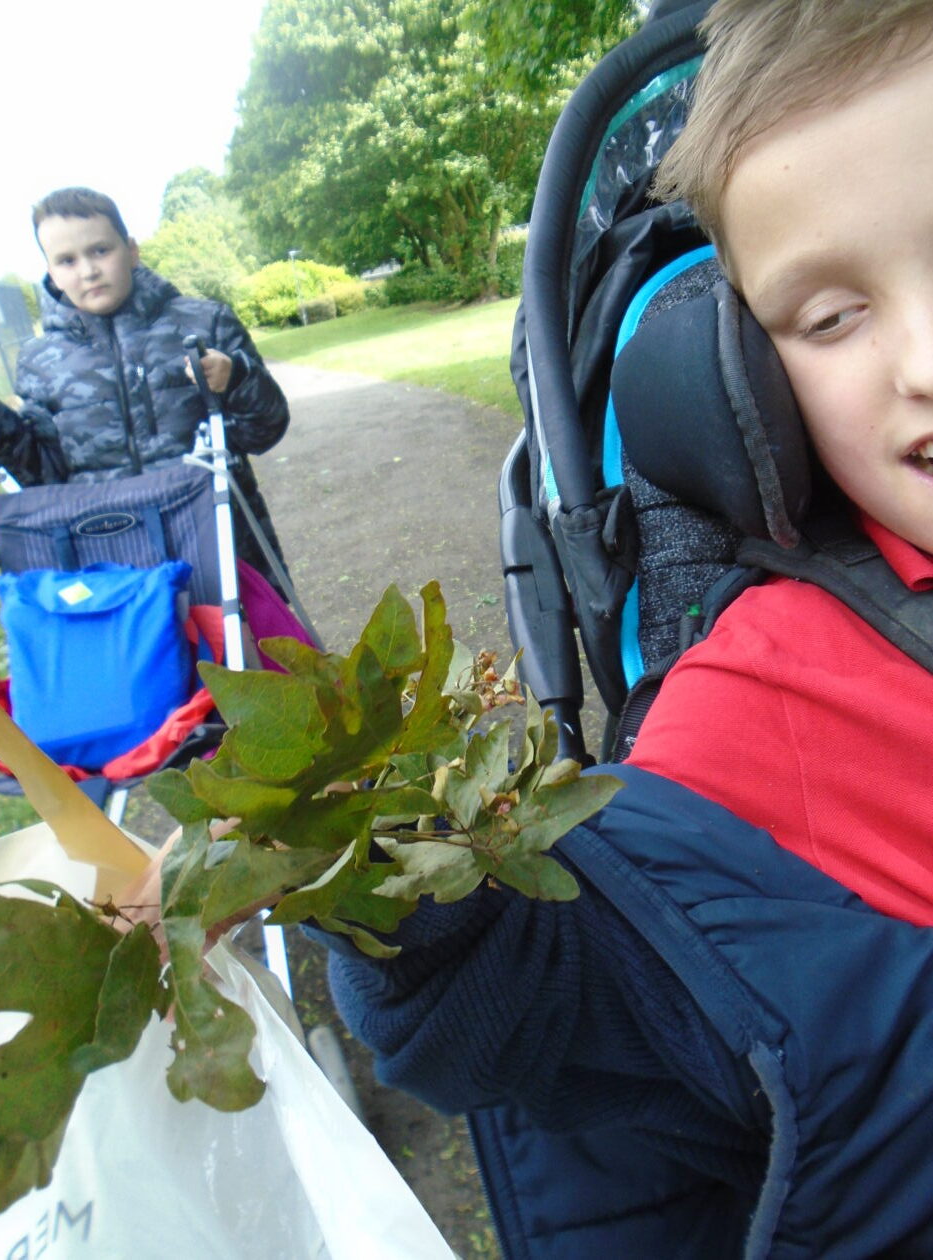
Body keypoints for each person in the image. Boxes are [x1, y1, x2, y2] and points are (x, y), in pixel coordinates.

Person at [123, 2, 933, 1254]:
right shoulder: (770, 697)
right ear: (750, 377)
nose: (926, 359)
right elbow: (566, 984)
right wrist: (387, 863)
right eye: (831, 318)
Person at [0, 187, 290, 584]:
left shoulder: (205, 323)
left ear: (131, 251)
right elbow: (44, 476)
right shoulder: (38, 361)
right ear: (52, 273)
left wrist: (237, 379)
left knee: (247, 628)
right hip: (116, 575)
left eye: (100, 250)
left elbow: (265, 430)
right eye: (67, 260)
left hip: (224, 554)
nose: (88, 270)